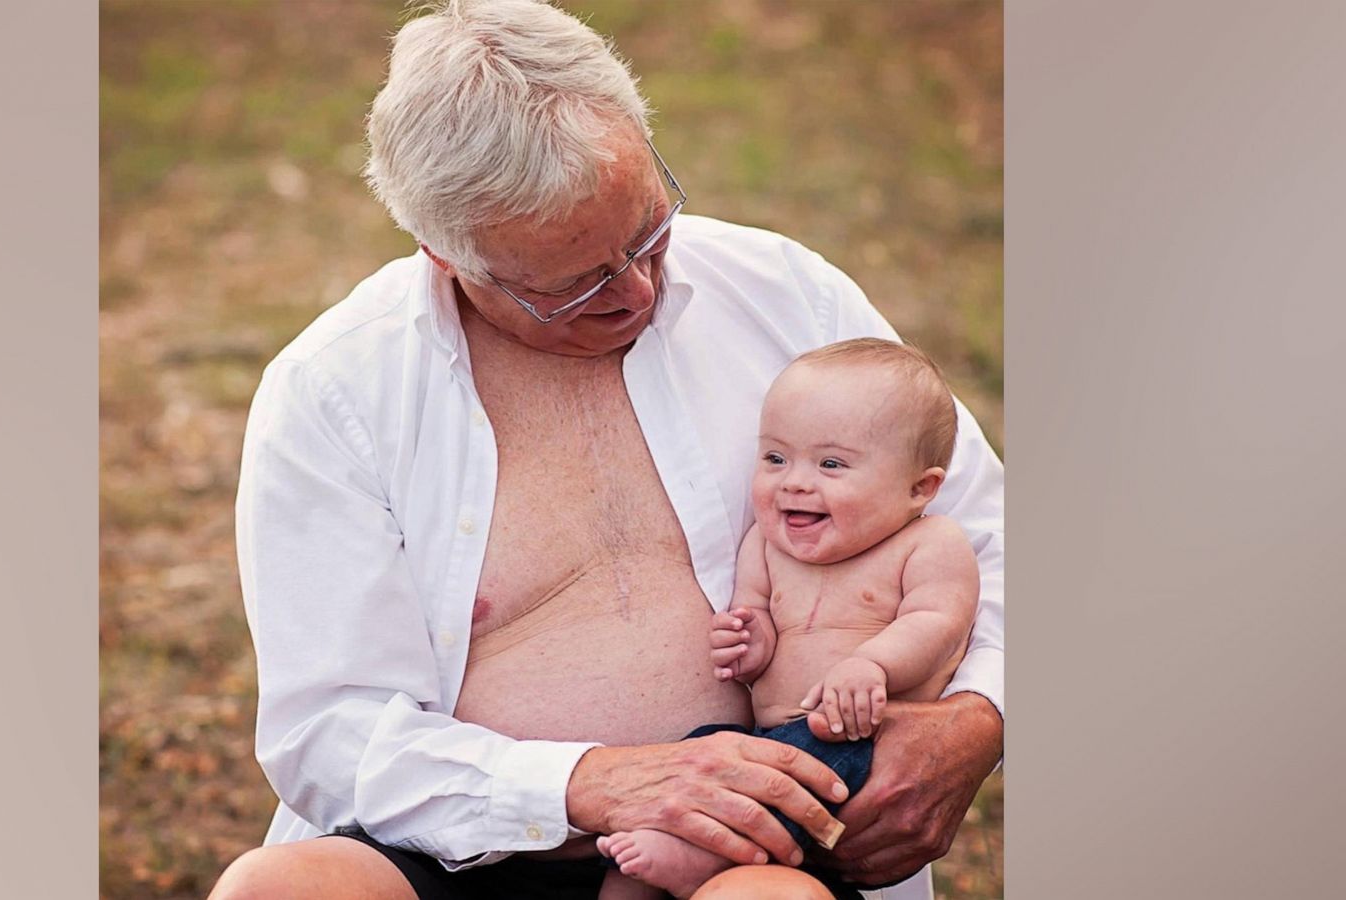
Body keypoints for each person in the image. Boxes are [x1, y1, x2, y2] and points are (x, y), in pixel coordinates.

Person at [211, 2, 1004, 898]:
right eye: (572, 284)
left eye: (648, 233)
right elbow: (328, 731)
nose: (635, 290)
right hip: (460, 844)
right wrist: (589, 784)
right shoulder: (334, 391)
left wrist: (978, 718)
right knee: (273, 891)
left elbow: (990, 532)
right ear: (447, 257)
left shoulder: (785, 295)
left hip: (750, 847)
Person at [596, 339, 981, 900]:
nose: (794, 482)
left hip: (857, 742)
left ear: (919, 488)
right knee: (697, 760)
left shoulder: (929, 543)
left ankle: (703, 858)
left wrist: (872, 665)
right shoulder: (768, 546)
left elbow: (938, 622)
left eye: (831, 464)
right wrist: (748, 642)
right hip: (762, 737)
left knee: (774, 785)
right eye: (776, 458)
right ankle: (657, 861)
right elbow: (756, 613)